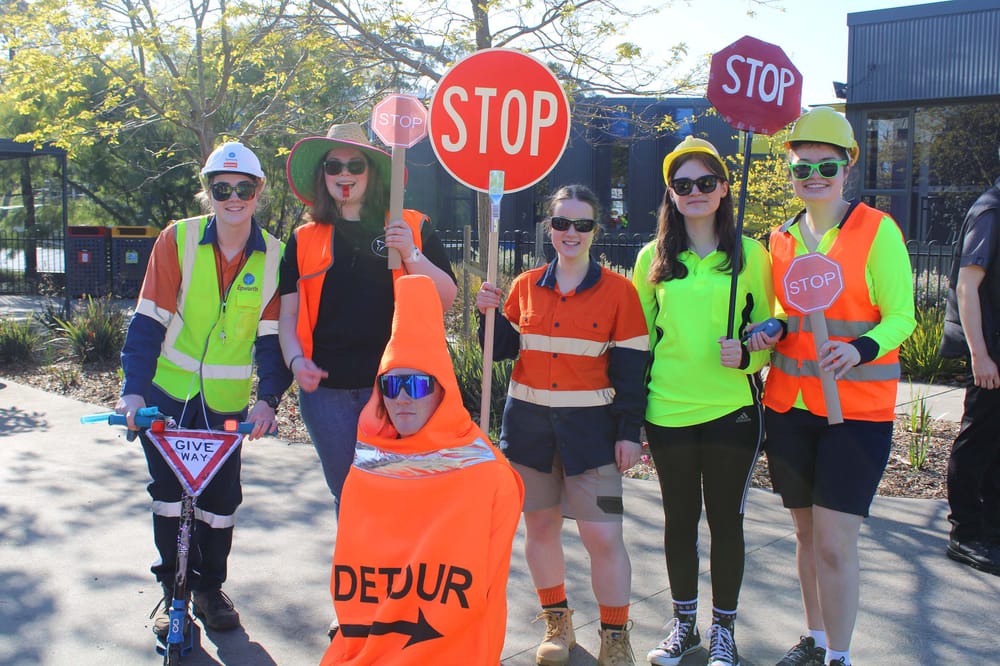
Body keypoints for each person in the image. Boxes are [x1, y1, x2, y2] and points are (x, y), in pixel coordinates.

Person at [747, 107, 915, 666]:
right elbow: (782, 313)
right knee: (805, 538)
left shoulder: (877, 230)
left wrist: (859, 348)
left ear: (848, 168)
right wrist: (769, 329)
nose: (813, 177)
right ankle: (816, 642)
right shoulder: (781, 239)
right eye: (802, 168)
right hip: (790, 408)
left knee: (836, 545)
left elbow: (901, 316)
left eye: (826, 166)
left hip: (857, 413)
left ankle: (839, 656)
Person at [116, 142, 292, 636]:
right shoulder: (177, 240)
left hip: (226, 405)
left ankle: (209, 590)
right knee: (169, 498)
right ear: (208, 192)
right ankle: (172, 594)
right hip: (166, 398)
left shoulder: (277, 256)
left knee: (220, 503)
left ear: (259, 191)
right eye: (222, 188)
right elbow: (148, 321)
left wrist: (268, 399)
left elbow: (271, 340)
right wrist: (133, 392)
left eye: (243, 188)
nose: (233, 197)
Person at [476, 184, 649, 666]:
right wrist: (486, 314)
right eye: (561, 223)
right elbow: (501, 351)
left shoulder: (621, 293)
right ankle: (559, 625)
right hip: (529, 434)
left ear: (596, 229)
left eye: (582, 224)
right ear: (549, 228)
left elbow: (633, 373)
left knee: (604, 538)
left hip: (592, 439)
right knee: (541, 530)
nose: (571, 233)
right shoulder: (524, 285)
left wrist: (629, 433)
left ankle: (615, 637)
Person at [321, 274, 524, 664]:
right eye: (390, 386)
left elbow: (486, 585)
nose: (401, 399)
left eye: (415, 385)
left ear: (442, 388)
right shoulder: (367, 465)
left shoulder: (487, 474)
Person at [634, 137, 773, 666]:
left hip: (730, 411)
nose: (695, 192)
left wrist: (751, 357)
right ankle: (685, 626)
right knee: (678, 521)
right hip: (666, 411)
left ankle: (725, 634)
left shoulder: (750, 254)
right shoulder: (652, 258)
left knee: (726, 524)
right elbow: (639, 343)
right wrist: (629, 417)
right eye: (683, 184)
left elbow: (773, 328)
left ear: (723, 188)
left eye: (706, 183)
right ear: (671, 193)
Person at [279, 122, 457, 515]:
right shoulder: (304, 239)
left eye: (355, 165)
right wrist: (295, 362)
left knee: (402, 498)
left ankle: (402, 577)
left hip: (400, 389)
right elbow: (288, 315)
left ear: (371, 172)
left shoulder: (411, 226)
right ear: (322, 175)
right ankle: (359, 576)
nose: (344, 175)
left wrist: (411, 253)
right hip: (328, 394)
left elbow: (445, 298)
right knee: (351, 497)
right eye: (334, 166)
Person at [939, 165, 1000, 576]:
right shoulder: (991, 211)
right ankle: (965, 534)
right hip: (992, 353)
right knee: (978, 440)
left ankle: (991, 530)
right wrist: (980, 355)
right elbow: (967, 286)